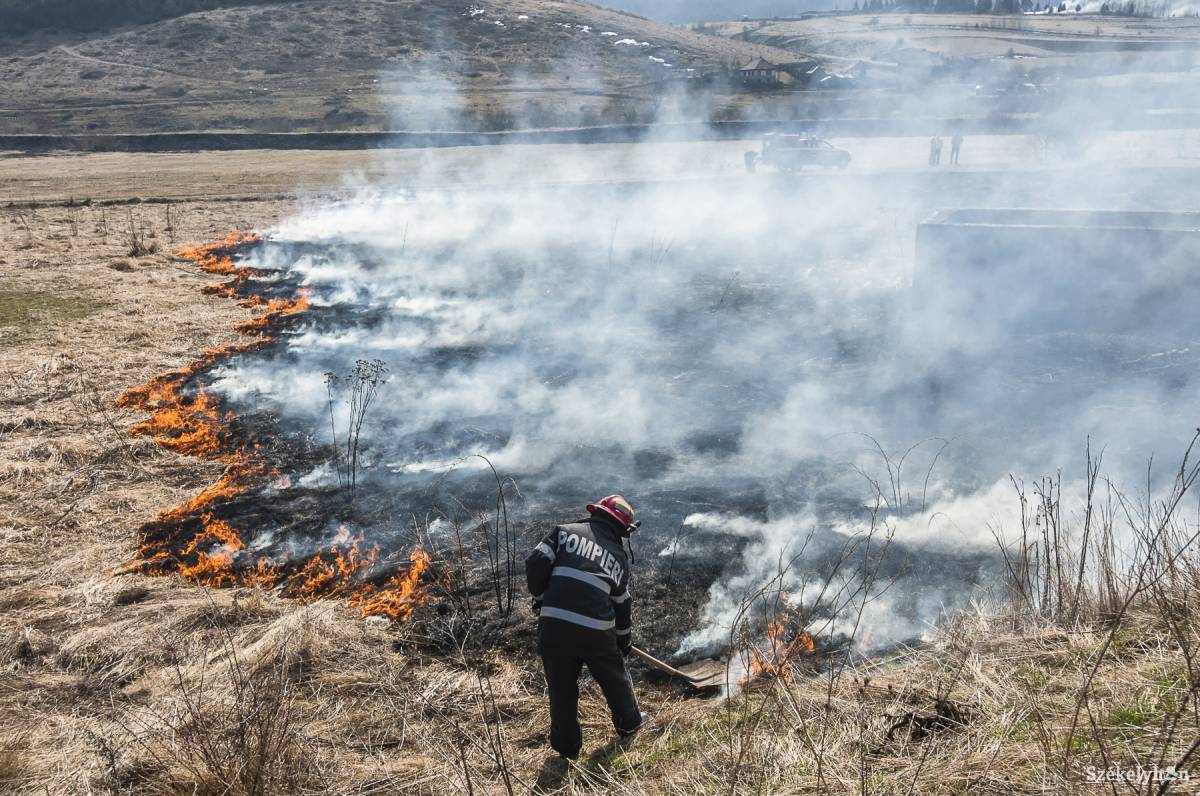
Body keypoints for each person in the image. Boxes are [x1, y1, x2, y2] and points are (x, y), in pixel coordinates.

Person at [526, 495, 643, 759]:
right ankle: (631, 723)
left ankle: (566, 749)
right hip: (596, 632)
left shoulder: (563, 532)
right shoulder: (618, 557)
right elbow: (622, 604)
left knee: (561, 689)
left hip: (554, 627)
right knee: (614, 678)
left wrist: (541, 597)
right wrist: (623, 641)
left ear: (596, 514)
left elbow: (535, 563)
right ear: (622, 529)